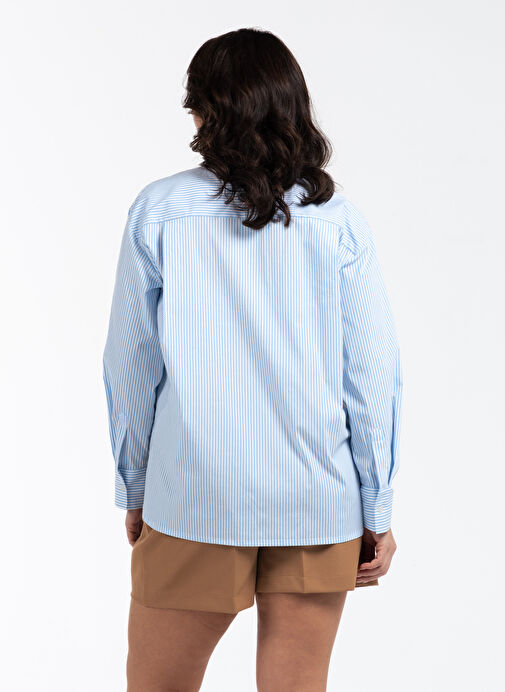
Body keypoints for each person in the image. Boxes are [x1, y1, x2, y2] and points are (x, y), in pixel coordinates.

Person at [102, 27, 403, 692]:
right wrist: (374, 505)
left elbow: (131, 362)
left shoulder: (160, 212)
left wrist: (136, 485)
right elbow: (371, 374)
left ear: (204, 113)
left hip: (195, 493)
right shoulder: (338, 221)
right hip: (317, 498)